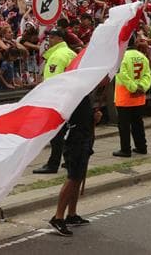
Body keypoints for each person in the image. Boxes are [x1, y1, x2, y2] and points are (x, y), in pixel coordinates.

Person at [48, 89, 102, 236]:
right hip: (75, 139)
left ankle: (71, 214)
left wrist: (94, 118)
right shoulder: (74, 93)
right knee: (73, 177)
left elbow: (85, 117)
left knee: (78, 177)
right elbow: (74, 117)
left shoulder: (85, 94)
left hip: (84, 137)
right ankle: (58, 217)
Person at [34, 29, 78, 174]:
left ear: (58, 38)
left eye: (51, 37)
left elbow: (54, 81)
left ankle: (53, 164)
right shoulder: (70, 53)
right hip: (72, 97)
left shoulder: (57, 56)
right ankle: (69, 159)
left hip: (59, 100)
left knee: (57, 134)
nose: (49, 41)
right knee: (69, 132)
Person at [112, 35, 151, 157]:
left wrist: (133, 88)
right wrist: (142, 87)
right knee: (138, 123)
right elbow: (147, 75)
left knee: (124, 125)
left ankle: (125, 149)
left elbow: (122, 76)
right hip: (139, 97)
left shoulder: (121, 58)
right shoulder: (142, 57)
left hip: (125, 97)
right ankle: (141, 147)